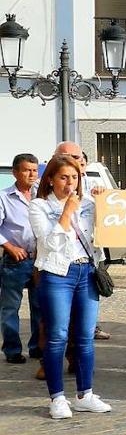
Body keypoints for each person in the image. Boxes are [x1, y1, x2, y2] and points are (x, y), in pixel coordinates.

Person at [29, 154, 110, 419]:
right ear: (51, 179)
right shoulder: (39, 206)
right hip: (56, 274)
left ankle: (85, 394)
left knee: (85, 337)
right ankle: (57, 398)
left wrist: (110, 200)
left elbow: (113, 223)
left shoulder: (88, 203)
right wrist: (67, 211)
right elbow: (50, 242)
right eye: (64, 177)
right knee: (58, 336)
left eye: (75, 177)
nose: (70, 183)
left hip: (86, 271)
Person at [1, 153, 41, 365]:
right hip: (15, 260)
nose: (31, 174)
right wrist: (9, 246)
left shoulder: (42, 194)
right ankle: (12, 349)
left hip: (40, 259)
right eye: (27, 170)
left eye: (34, 170)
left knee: (39, 306)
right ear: (15, 172)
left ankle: (37, 347)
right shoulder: (4, 197)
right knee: (10, 307)